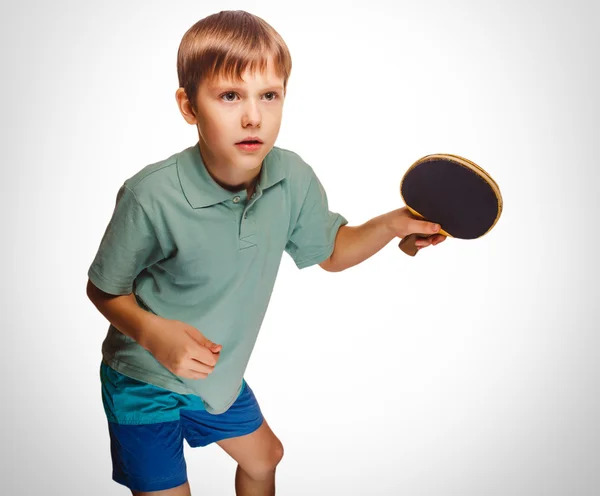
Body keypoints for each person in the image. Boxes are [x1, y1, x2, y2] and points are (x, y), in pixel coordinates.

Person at [86, 9, 446, 496]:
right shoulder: (149, 195)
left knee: (265, 458)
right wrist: (153, 333)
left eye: (269, 95)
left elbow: (332, 252)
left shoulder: (291, 177)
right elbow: (103, 288)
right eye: (230, 96)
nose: (253, 115)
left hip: (217, 377)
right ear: (189, 106)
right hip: (143, 378)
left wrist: (389, 225)